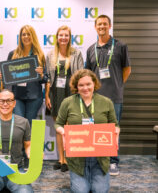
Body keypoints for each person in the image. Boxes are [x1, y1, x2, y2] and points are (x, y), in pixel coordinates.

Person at [55, 69, 120, 193]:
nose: (85, 88)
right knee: (81, 191)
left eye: (88, 84)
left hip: (100, 158)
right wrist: (63, 132)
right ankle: (78, 178)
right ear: (76, 87)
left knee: (100, 190)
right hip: (77, 158)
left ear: (94, 84)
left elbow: (114, 125)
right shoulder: (67, 102)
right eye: (81, 85)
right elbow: (58, 123)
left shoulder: (106, 102)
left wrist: (116, 133)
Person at [85, 14, 131, 175]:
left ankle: (113, 161)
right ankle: (98, 159)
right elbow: (88, 74)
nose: (102, 27)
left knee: (113, 130)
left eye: (104, 24)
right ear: (95, 27)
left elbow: (127, 69)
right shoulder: (91, 49)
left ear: (109, 26)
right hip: (95, 97)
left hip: (114, 97)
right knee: (96, 129)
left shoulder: (120, 46)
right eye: (99, 24)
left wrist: (118, 85)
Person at [45, 25, 84, 172]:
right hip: (55, 93)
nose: (63, 38)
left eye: (66, 35)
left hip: (71, 93)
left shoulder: (76, 53)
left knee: (70, 126)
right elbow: (48, 78)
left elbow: (80, 74)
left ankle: (69, 159)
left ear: (70, 37)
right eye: (61, 35)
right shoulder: (50, 55)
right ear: (57, 37)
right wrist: (47, 95)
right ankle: (60, 159)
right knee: (59, 127)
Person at [7, 25, 48, 125]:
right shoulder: (13, 54)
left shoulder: (39, 55)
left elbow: (46, 78)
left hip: (34, 97)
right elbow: (8, 77)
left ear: (33, 36)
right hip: (17, 95)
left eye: (28, 34)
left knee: (29, 124)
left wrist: (41, 74)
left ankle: (29, 141)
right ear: (20, 37)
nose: (26, 37)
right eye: (23, 34)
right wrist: (4, 75)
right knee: (19, 123)